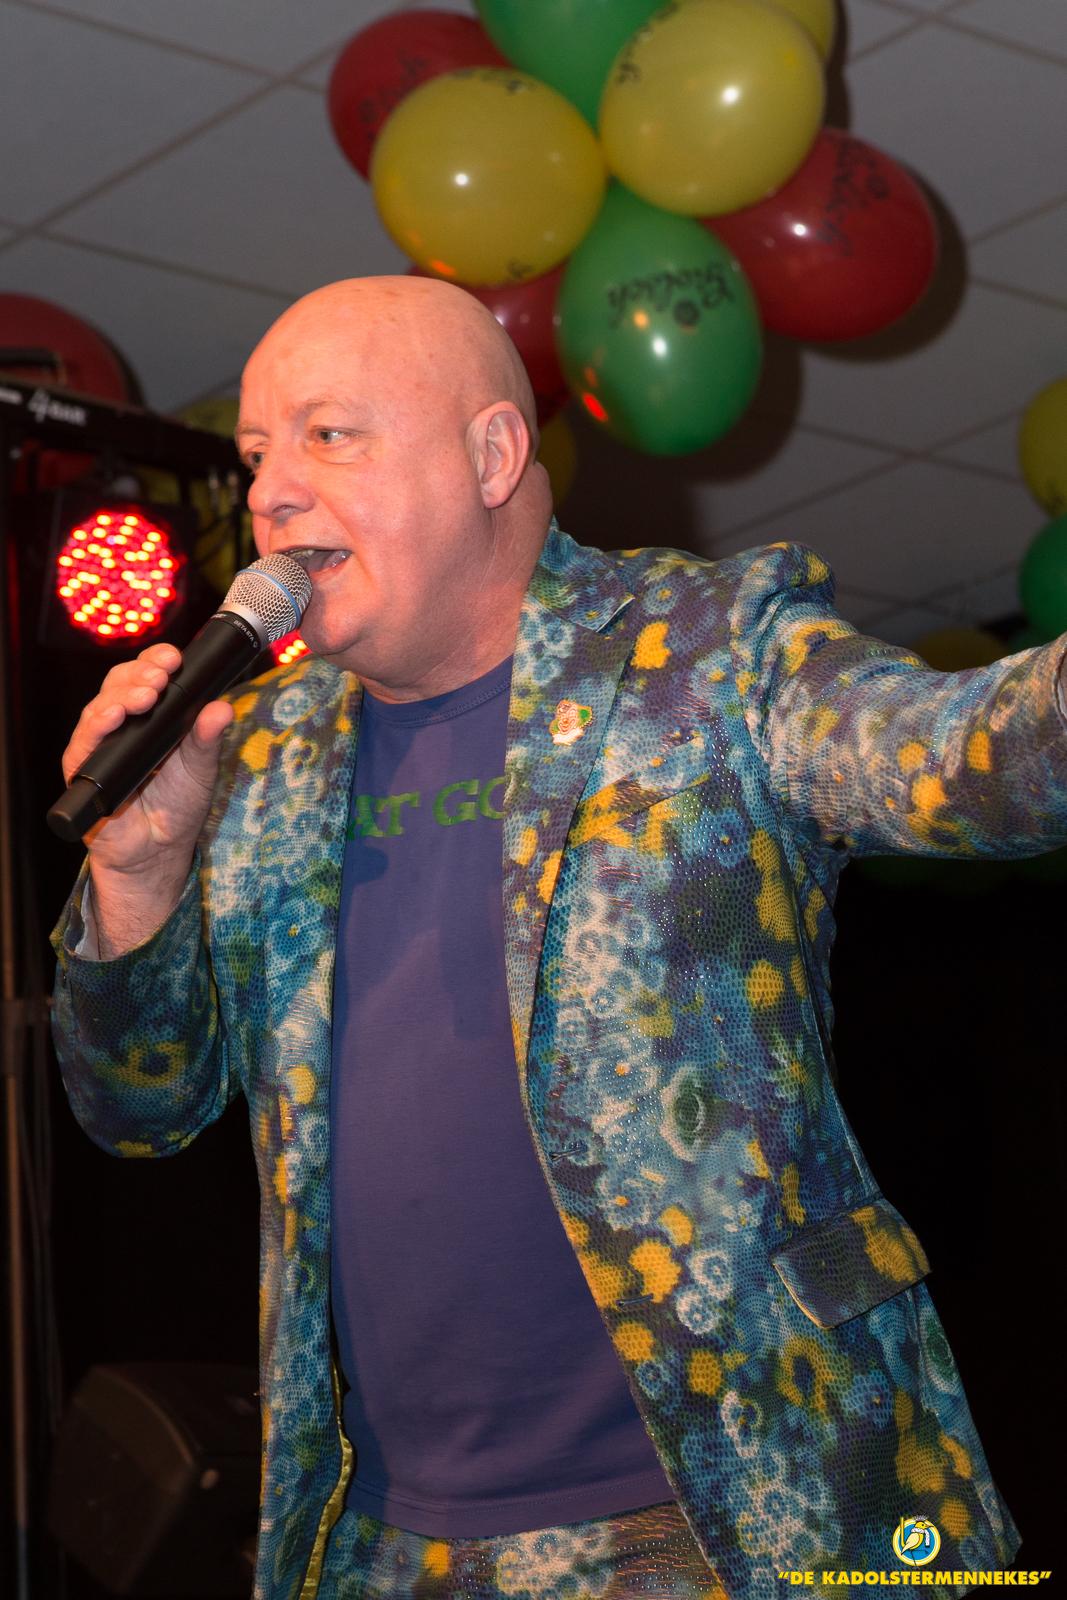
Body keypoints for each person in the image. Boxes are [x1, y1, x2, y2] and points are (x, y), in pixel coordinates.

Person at [51, 276, 1067, 1600]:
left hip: (737, 1511)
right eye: (254, 458)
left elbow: (978, 760)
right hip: (378, 1540)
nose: (273, 493)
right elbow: (137, 1108)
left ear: (491, 455)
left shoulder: (705, 653)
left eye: (327, 435)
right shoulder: (257, 753)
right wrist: (135, 874)